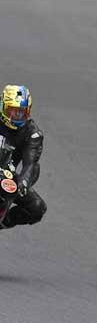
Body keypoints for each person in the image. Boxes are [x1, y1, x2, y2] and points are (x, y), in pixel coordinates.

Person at [0, 85, 47, 229]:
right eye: (13, 110)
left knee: (36, 207)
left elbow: (30, 163)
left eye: (21, 112)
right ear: (3, 107)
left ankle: (3, 222)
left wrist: (23, 182)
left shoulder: (33, 134)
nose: (17, 116)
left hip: (5, 174)